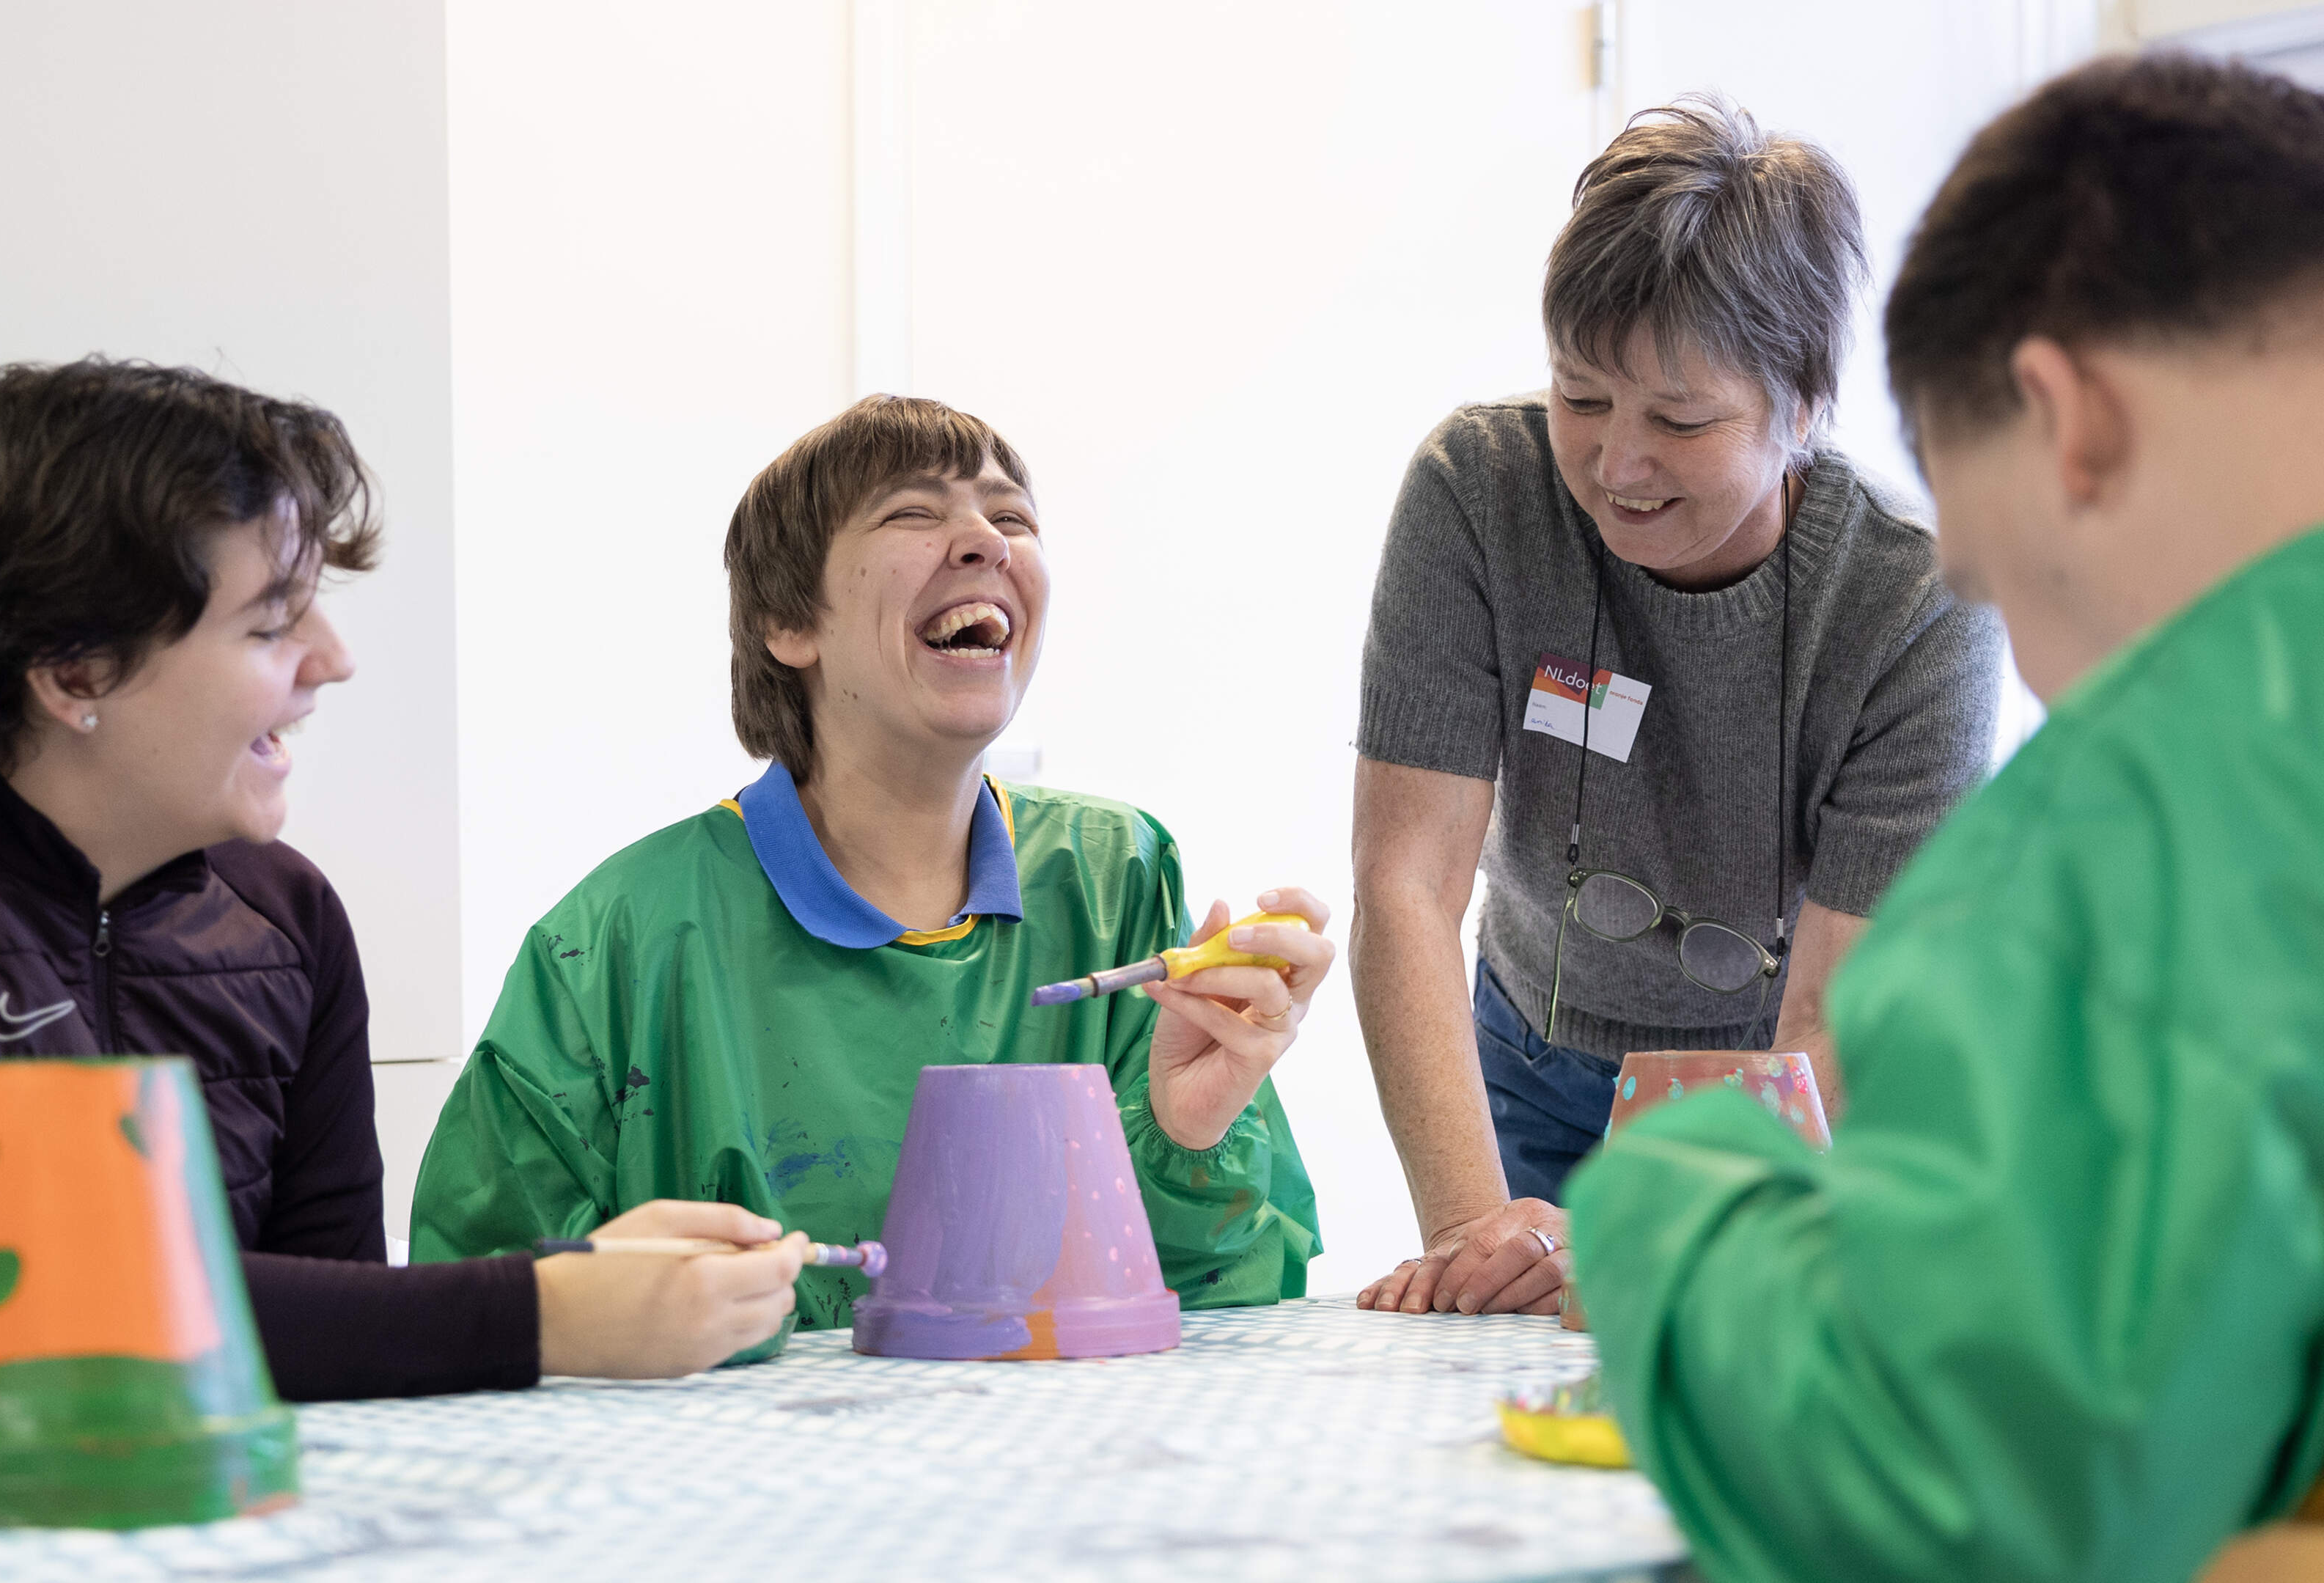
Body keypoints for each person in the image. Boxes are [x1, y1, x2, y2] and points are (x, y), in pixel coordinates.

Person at [0, 359, 803, 1409]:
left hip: (188, 1505)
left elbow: (341, 1329)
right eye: (272, 622)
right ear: (76, 671)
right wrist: (551, 1308)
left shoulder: (290, 917)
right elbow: (5, 1289)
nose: (334, 660)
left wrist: (585, 1292)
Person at [1568, 54, 2324, 1581]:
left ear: (2069, 421)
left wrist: (1675, 1198)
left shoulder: (2164, 803)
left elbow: (1959, 1487)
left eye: (1993, 581)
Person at [413, 395, 1328, 1344]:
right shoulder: (619, 940)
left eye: (1012, 517)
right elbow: (471, 1316)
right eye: (913, 513)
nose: (986, 540)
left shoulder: (1117, 875)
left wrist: (1189, 1133)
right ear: (785, 620)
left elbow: (1222, 1308)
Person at [1350, 98, 2003, 1321]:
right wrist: (1473, 1231)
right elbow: (1406, 887)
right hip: (1527, 1047)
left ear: (1803, 405)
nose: (1616, 463)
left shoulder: (1919, 606)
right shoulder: (1475, 494)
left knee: (1713, 1368)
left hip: (1773, 1081)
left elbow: (1831, 1013)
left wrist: (1681, 1238)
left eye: (1682, 419)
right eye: (1582, 399)